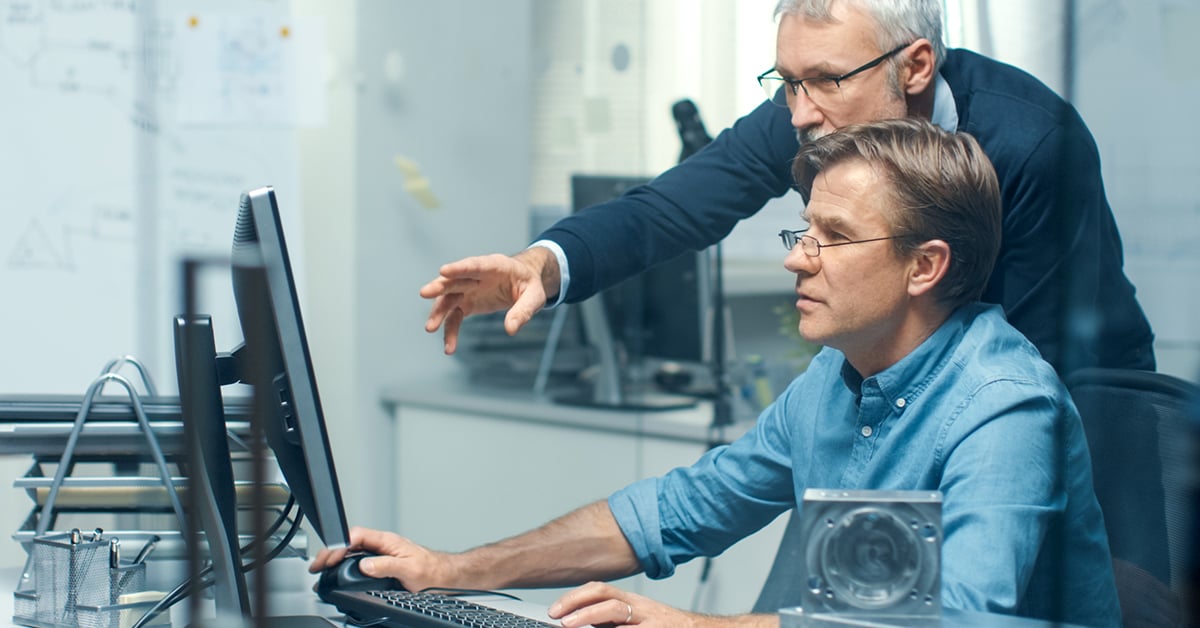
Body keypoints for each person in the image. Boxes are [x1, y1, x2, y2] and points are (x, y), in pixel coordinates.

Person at [314, 119, 1121, 627]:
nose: (797, 262)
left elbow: (964, 621)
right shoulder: (833, 380)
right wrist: (449, 571)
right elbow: (675, 512)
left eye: (830, 238)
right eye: (801, 233)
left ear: (925, 265)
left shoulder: (1007, 409)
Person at [419, 0, 1155, 376]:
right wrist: (543, 266)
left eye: (826, 79)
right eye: (787, 81)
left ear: (916, 66)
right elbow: (669, 210)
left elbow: (1032, 360)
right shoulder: (812, 115)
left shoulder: (1031, 143)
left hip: (1083, 399)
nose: (799, 113)